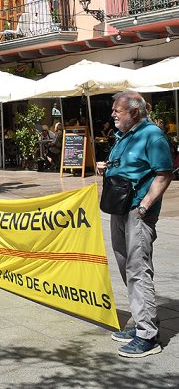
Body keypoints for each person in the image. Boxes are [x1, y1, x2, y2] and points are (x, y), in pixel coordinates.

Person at [97, 90, 173, 358]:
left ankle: (148, 336)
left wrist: (145, 206)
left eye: (118, 110)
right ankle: (144, 321)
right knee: (126, 266)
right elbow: (131, 166)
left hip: (136, 211)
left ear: (135, 112)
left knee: (138, 269)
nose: (113, 114)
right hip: (119, 208)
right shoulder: (126, 135)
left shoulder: (152, 135)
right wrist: (107, 167)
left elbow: (164, 174)